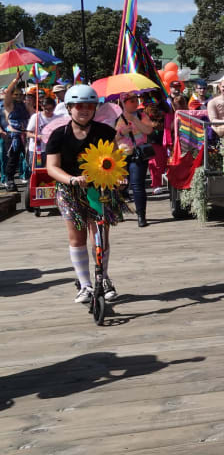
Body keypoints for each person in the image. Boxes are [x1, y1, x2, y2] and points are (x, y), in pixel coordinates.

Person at [45, 84, 126, 304]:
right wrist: (71, 179)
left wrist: (118, 178)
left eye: (90, 105)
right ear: (69, 108)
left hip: (99, 188)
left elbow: (116, 159)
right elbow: (52, 167)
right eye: (79, 106)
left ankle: (103, 277)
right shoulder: (58, 134)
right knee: (76, 236)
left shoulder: (105, 132)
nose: (84, 110)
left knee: (99, 236)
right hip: (70, 189)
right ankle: (85, 284)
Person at [114, 93, 155, 227]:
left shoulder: (142, 116)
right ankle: (119, 211)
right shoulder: (117, 119)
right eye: (131, 101)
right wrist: (122, 132)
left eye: (136, 100)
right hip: (122, 156)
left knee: (137, 186)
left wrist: (135, 120)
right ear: (124, 103)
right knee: (119, 185)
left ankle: (141, 216)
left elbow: (148, 130)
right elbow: (112, 138)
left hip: (139, 155)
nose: (135, 103)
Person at [2, 76, 31, 190]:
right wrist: (15, 80)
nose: (18, 96)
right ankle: (10, 180)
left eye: (20, 94)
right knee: (13, 160)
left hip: (26, 135)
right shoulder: (9, 104)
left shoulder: (24, 104)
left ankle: (31, 178)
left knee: (30, 158)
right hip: (13, 136)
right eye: (16, 94)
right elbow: (8, 92)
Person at [26, 95, 58, 164]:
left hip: (50, 150)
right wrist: (38, 136)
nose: (48, 111)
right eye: (46, 109)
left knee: (48, 170)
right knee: (37, 169)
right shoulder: (36, 117)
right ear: (42, 107)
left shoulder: (56, 118)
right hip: (38, 150)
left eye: (51, 109)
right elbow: (28, 133)